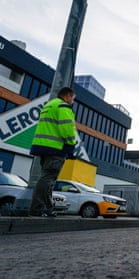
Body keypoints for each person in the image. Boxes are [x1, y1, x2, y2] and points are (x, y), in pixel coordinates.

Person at [29, 87, 77, 217]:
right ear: (67, 96)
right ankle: (40, 208)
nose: (73, 101)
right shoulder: (63, 106)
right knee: (48, 179)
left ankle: (41, 208)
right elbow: (67, 129)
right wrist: (72, 145)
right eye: (72, 98)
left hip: (42, 146)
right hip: (55, 148)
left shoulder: (49, 105)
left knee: (44, 178)